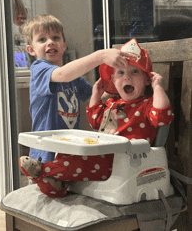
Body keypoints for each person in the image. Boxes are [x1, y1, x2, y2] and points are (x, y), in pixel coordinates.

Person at [19, 38, 174, 198]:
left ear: (147, 79)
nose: (127, 78)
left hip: (119, 161)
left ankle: (42, 170)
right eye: (121, 73)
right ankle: (56, 186)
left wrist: (158, 88)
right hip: (101, 153)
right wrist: (96, 95)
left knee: (79, 162)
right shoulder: (113, 103)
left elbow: (162, 118)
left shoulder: (147, 104)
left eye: (135, 72)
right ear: (113, 80)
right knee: (66, 155)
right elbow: (95, 120)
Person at [21, 14, 136, 163]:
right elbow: (62, 74)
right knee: (46, 185)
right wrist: (100, 55)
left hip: (68, 146)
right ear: (31, 50)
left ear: (64, 45)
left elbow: (96, 96)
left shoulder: (73, 78)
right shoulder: (39, 69)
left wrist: (123, 87)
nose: (50, 42)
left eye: (55, 38)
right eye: (42, 39)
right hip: (45, 150)